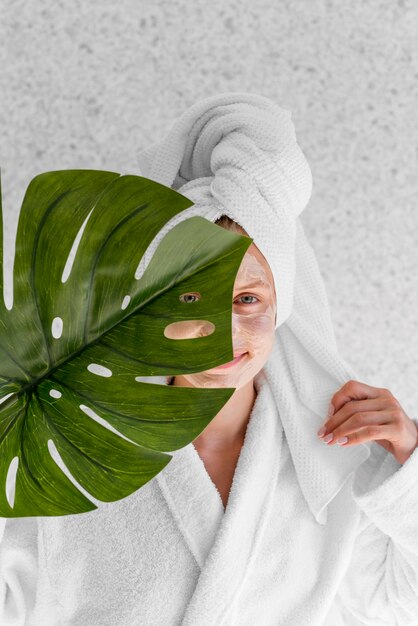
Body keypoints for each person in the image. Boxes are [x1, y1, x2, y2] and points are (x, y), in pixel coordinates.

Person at [1, 92, 418, 626]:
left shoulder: (329, 462)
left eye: (248, 299)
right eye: (191, 297)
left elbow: (400, 600)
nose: (223, 334)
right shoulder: (65, 448)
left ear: (281, 301)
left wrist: (408, 464)